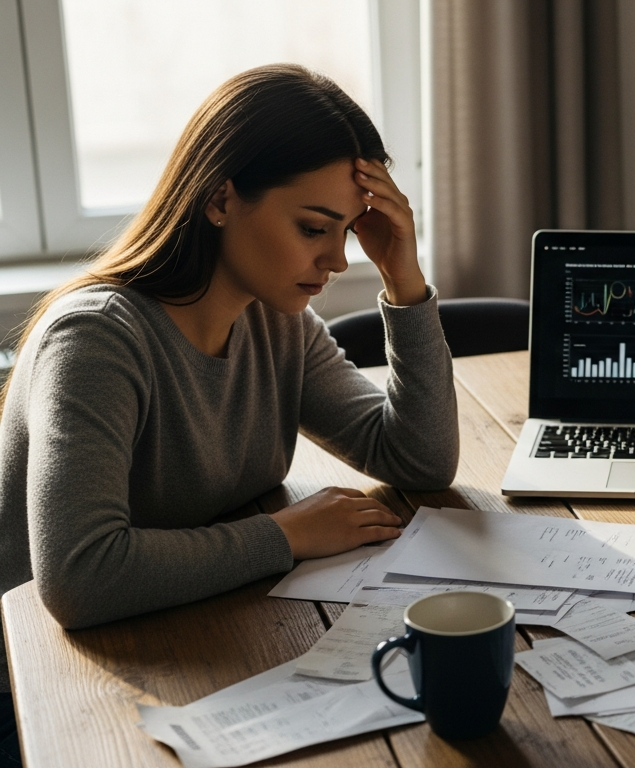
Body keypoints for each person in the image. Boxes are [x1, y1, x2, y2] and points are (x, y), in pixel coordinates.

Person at [0, 64, 459, 736]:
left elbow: (419, 459)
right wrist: (285, 535)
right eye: (313, 228)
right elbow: (80, 578)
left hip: (189, 640)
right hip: (46, 691)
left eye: (349, 231)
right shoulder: (96, 340)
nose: (337, 260)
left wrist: (404, 278)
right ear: (220, 200)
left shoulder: (276, 322)